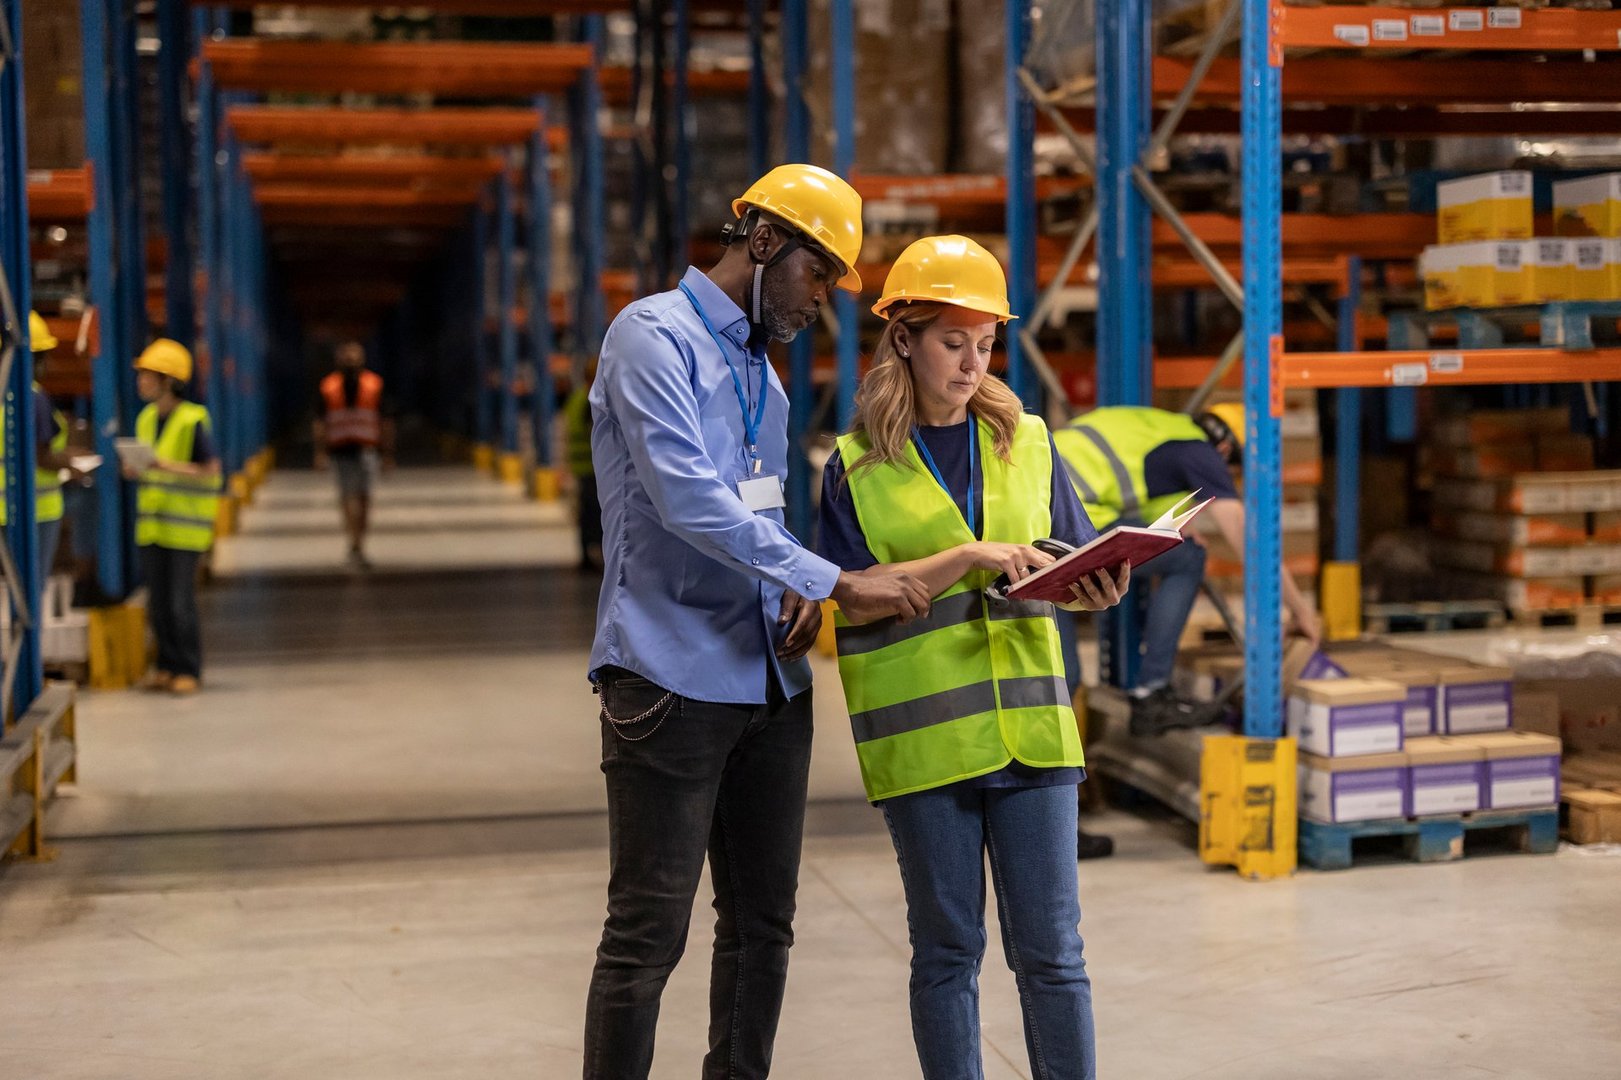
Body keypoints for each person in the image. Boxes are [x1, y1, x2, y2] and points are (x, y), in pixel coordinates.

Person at [582, 163, 932, 1080]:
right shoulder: (649, 337)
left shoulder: (762, 379)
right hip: (666, 679)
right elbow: (685, 499)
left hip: (769, 680)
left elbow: (757, 511)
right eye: (820, 275)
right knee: (646, 935)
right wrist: (833, 580)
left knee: (763, 927)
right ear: (765, 241)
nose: (823, 300)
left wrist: (788, 580)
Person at [819, 235, 1128, 1080]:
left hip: (1031, 734)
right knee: (947, 953)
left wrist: (1091, 587)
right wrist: (963, 558)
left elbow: (1064, 557)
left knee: (1052, 955)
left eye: (984, 342)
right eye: (953, 342)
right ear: (904, 339)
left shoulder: (1027, 438)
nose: (970, 362)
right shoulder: (853, 466)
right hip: (924, 748)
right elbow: (843, 589)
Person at [1052, 402, 1321, 734]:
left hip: (1042, 523)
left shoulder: (1162, 431)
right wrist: (1300, 609)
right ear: (1224, 448)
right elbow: (1250, 541)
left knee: (1062, 679)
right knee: (1189, 557)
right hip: (1072, 520)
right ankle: (1151, 693)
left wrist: (1164, 532)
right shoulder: (1199, 451)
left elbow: (1129, 493)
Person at [123, 339, 221, 696]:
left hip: (184, 530)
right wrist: (137, 469)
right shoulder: (146, 418)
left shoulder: (193, 419)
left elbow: (210, 470)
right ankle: (165, 665)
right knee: (159, 602)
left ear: (168, 380)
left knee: (181, 603)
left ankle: (188, 669)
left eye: (147, 374)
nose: (141, 381)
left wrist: (163, 466)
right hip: (153, 525)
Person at [1, 313, 77, 576]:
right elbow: (40, 455)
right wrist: (73, 463)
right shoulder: (33, 397)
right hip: (35, 510)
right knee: (30, 588)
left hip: (5, 509)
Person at [313, 340, 393, 570]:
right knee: (347, 496)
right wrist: (320, 452)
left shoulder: (374, 385)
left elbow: (386, 421)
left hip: (367, 449)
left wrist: (387, 454)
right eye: (347, 355)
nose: (351, 359)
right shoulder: (328, 387)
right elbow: (319, 422)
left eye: (355, 355)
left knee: (364, 497)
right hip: (340, 450)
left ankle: (359, 542)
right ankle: (354, 542)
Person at [561, 363, 601, 572]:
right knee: (595, 513)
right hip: (592, 467)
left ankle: (587, 553)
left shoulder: (576, 398)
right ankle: (593, 554)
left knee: (586, 514)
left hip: (582, 466)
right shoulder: (590, 400)